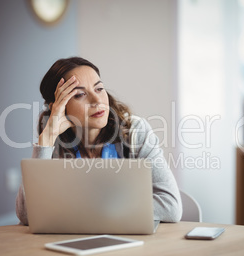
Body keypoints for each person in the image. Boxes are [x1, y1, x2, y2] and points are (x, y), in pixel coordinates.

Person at [16, 57, 182, 225]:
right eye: (80, 94)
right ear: (58, 106)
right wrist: (46, 139)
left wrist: (84, 209)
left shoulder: (135, 131)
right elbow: (28, 215)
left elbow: (171, 207)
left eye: (99, 89)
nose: (97, 101)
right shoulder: (54, 144)